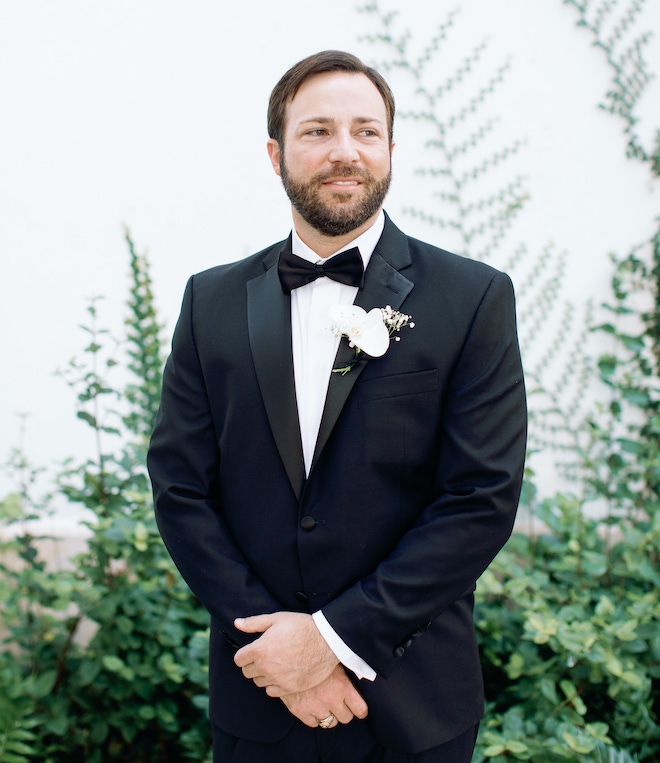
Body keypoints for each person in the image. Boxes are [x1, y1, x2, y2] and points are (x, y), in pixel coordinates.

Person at [147, 50, 527, 763]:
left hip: (413, 704)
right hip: (259, 698)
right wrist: (277, 649)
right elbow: (180, 488)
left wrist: (330, 639)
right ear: (275, 152)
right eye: (317, 131)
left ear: (390, 148)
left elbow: (481, 497)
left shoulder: (474, 299)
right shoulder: (212, 302)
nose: (344, 151)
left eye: (365, 130)